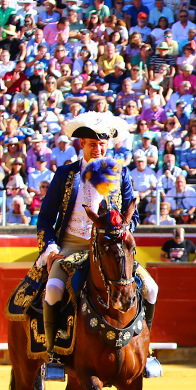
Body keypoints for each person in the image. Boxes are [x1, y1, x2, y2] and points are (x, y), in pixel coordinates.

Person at [33, 112, 159, 376]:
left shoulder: (120, 174)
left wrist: (122, 233)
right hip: (71, 245)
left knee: (150, 288)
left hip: (111, 248)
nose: (98, 149)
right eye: (92, 144)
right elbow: (45, 217)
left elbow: (132, 215)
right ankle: (53, 353)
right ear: (82, 144)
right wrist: (51, 248)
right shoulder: (66, 174)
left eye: (102, 144)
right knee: (53, 290)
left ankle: (146, 351)